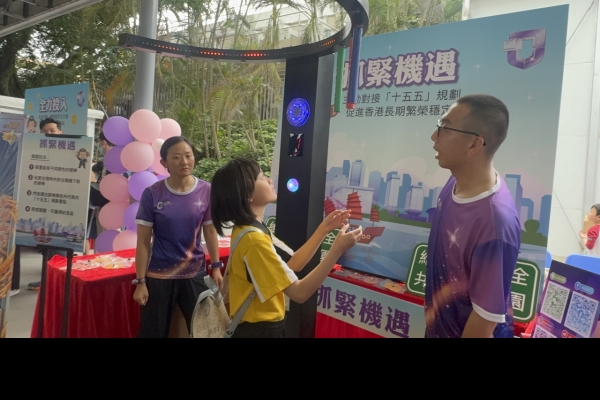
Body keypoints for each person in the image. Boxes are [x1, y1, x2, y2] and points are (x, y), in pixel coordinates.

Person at [210, 158, 362, 338]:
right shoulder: (254, 239)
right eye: (261, 177)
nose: (269, 180)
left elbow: (293, 262)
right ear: (247, 194)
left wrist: (323, 229)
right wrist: (336, 250)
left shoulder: (248, 229)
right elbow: (299, 292)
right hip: (260, 330)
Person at [425, 94, 521, 339]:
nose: (434, 137)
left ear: (474, 144)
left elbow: (483, 322)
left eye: (445, 129)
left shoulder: (495, 223)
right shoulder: (456, 181)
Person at [133, 136, 223, 338]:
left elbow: (210, 231)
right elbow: (143, 242)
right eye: (176, 157)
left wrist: (216, 267)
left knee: (205, 332)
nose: (184, 161)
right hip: (159, 276)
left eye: (188, 156)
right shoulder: (152, 193)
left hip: (194, 273)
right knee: (152, 332)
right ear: (164, 163)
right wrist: (140, 282)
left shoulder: (206, 190)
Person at [27, 118, 65, 290]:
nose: (49, 134)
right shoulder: (36, 152)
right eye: (44, 131)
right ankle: (47, 281)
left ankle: (58, 284)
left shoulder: (69, 152)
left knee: (60, 249)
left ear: (60, 132)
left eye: (52, 130)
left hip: (62, 209)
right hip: (42, 207)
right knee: (46, 247)